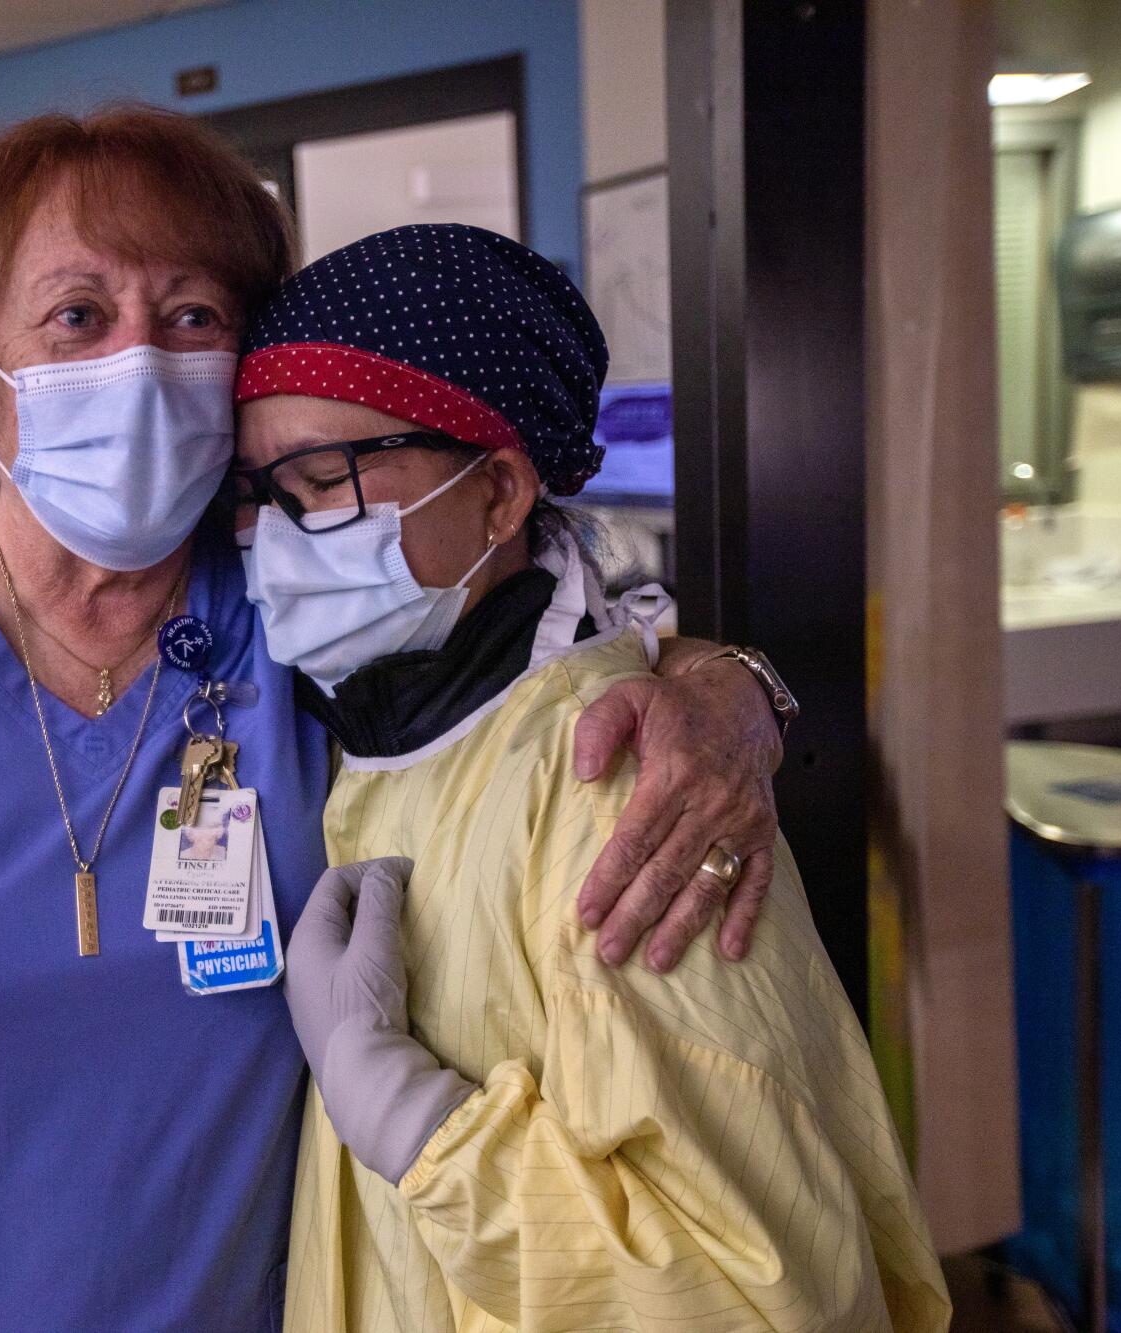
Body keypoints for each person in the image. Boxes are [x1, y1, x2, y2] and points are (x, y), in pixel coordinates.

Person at [0, 108, 792, 1331]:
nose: (138, 359)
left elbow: (540, 613)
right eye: (77, 314)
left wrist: (731, 687)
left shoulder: (303, 612)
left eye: (190, 317)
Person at [234, 224, 951, 1331]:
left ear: (500, 490)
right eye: (256, 494)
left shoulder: (623, 780)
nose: (279, 537)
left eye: (324, 478)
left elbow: (749, 1294)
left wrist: (417, 1120)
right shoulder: (371, 739)